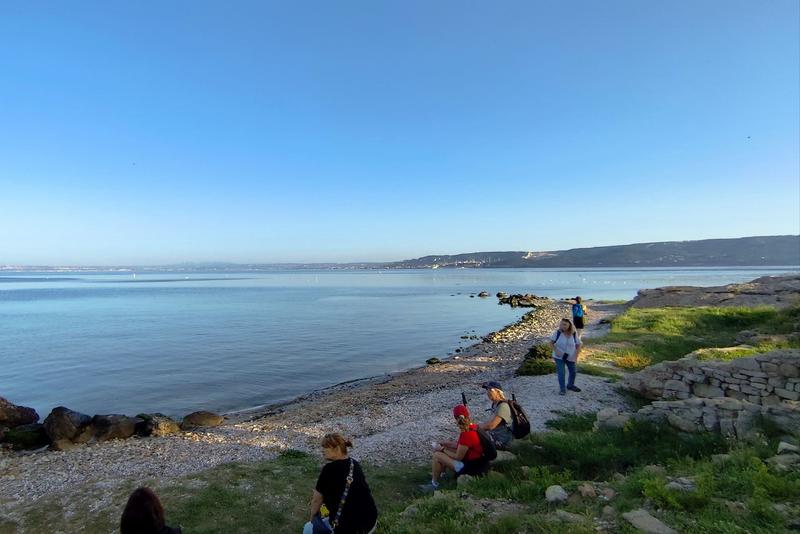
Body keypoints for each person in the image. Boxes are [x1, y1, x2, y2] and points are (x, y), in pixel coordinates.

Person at [304, 433, 378, 534]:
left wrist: (312, 519)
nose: (322, 450)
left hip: (350, 529)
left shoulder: (328, 470)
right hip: (370, 521)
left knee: (308, 528)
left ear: (337, 448)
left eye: (326, 447)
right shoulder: (354, 464)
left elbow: (317, 500)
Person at [422, 404, 487, 491]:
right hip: (478, 463)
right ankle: (441, 474)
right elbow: (462, 446)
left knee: (437, 455)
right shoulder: (473, 428)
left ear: (456, 418)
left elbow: (458, 457)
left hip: (469, 468)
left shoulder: (466, 434)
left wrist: (442, 449)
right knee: (444, 448)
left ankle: (434, 484)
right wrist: (446, 444)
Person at [550, 318, 582, 395]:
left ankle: (570, 385)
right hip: (559, 356)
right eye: (561, 324)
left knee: (573, 372)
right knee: (561, 372)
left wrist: (576, 356)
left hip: (571, 356)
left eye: (565, 324)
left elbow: (579, 344)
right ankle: (562, 389)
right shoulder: (557, 333)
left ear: (569, 325)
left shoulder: (574, 334)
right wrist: (556, 351)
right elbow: (551, 343)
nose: (562, 326)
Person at [477, 381, 513, 450]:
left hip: (502, 441)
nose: (488, 392)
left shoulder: (503, 406)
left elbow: (491, 425)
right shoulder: (495, 404)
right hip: (495, 437)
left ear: (498, 391)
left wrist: (475, 428)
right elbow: (489, 424)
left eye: (490, 390)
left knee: (474, 442)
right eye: (487, 390)